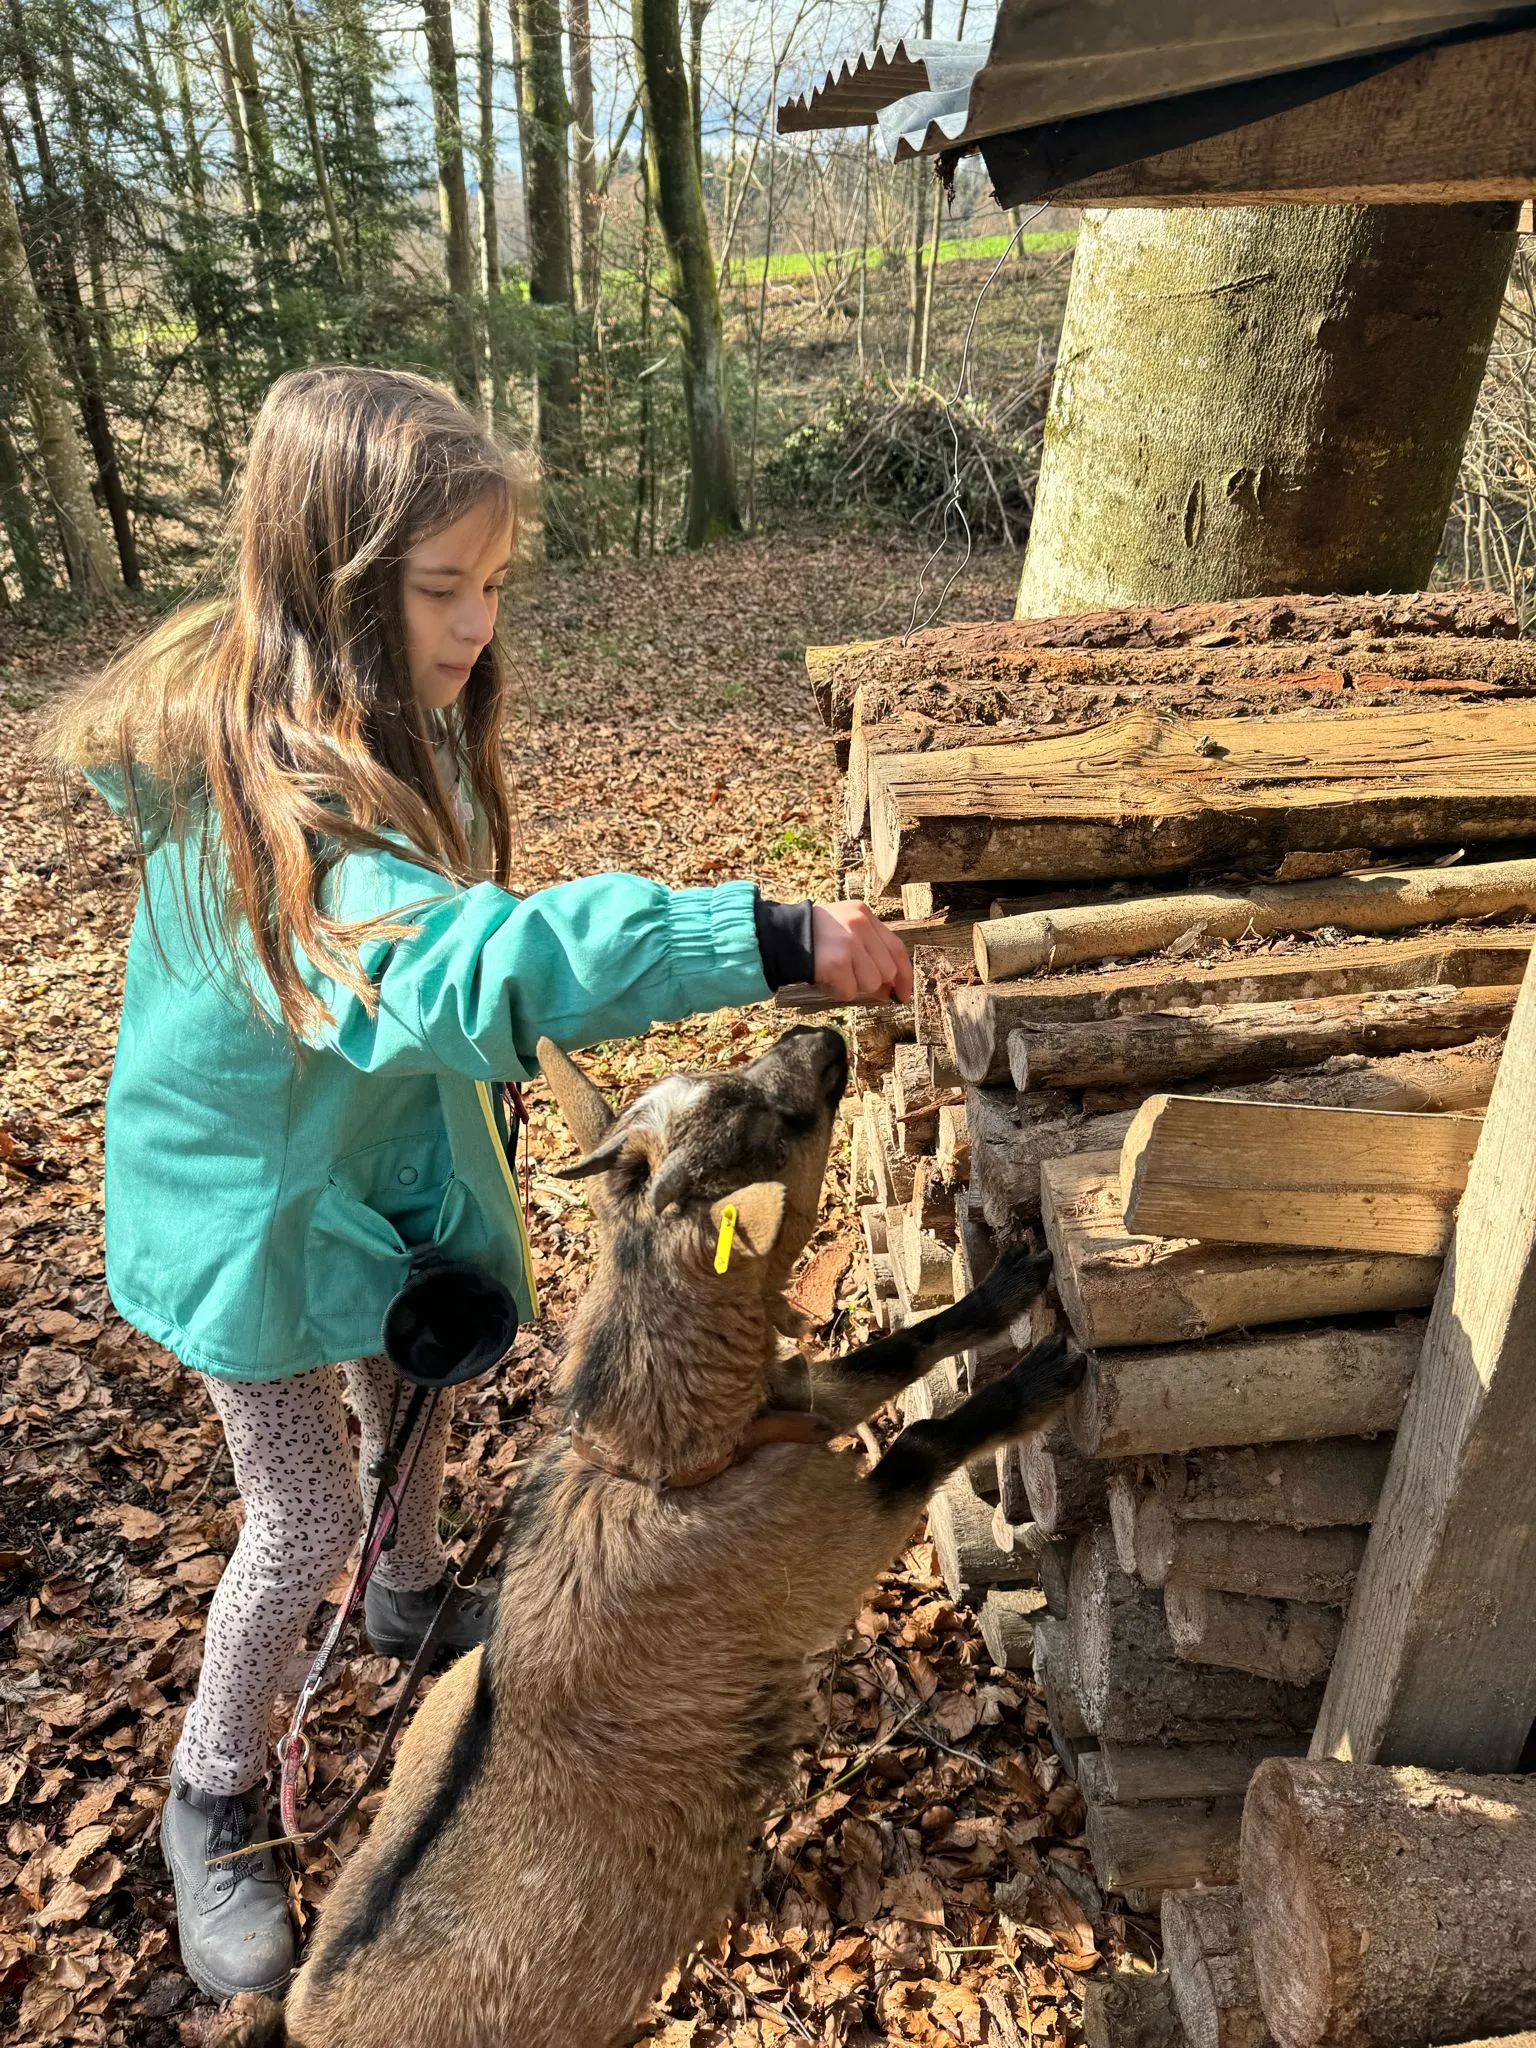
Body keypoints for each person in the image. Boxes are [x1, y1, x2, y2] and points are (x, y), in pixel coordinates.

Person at [48, 366, 911, 2004]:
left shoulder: (356, 716)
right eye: (443, 590)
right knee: (295, 1516)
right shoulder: (281, 815)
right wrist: (765, 936)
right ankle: (214, 1790)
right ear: (333, 588)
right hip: (245, 1221)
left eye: (494, 583)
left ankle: (411, 1590)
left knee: (428, 1391)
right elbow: (465, 959)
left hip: (366, 1173)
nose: (475, 624)